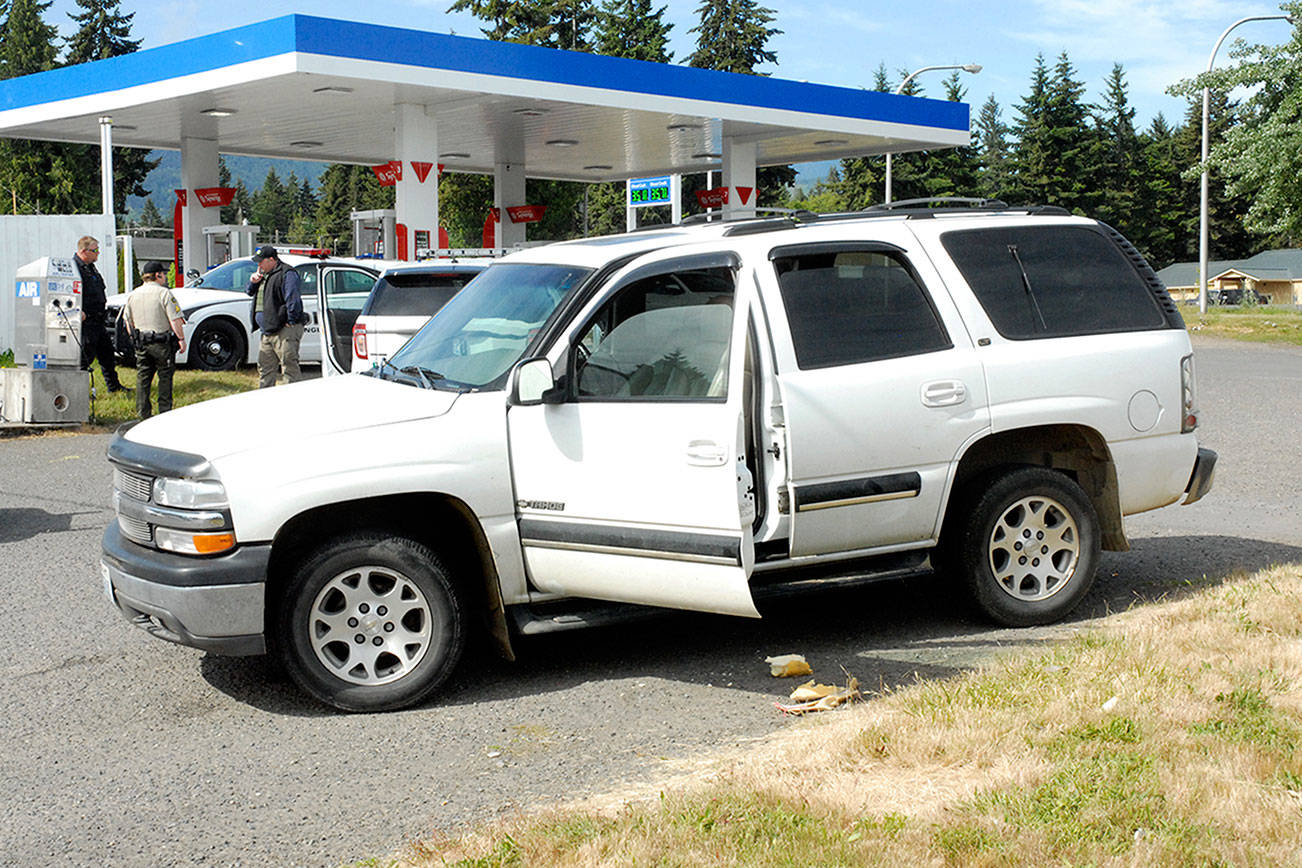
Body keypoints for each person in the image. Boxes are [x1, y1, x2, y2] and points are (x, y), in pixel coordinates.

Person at [123, 261, 186, 419]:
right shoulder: (164, 294)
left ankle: (143, 414)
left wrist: (135, 339)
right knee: (165, 378)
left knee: (143, 378)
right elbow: (175, 320)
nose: (165, 276)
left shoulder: (133, 294)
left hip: (142, 343)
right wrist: (181, 339)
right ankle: (164, 413)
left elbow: (128, 321)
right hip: (161, 343)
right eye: (163, 274)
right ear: (157, 275)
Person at [245, 245, 307, 388]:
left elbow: (293, 298)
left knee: (289, 367)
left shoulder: (287, 273)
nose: (259, 265)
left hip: (284, 329)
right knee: (265, 368)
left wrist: (291, 320)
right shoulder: (262, 275)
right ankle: (265, 396)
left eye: (261, 261)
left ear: (272, 260)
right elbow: (249, 292)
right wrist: (253, 282)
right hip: (267, 330)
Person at [74, 235, 127, 393]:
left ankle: (114, 387)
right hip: (87, 322)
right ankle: (80, 392)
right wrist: (78, 311)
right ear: (84, 251)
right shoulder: (74, 269)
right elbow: (70, 293)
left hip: (98, 320)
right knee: (85, 358)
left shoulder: (90, 267)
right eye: (95, 250)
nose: (98, 253)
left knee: (107, 354)